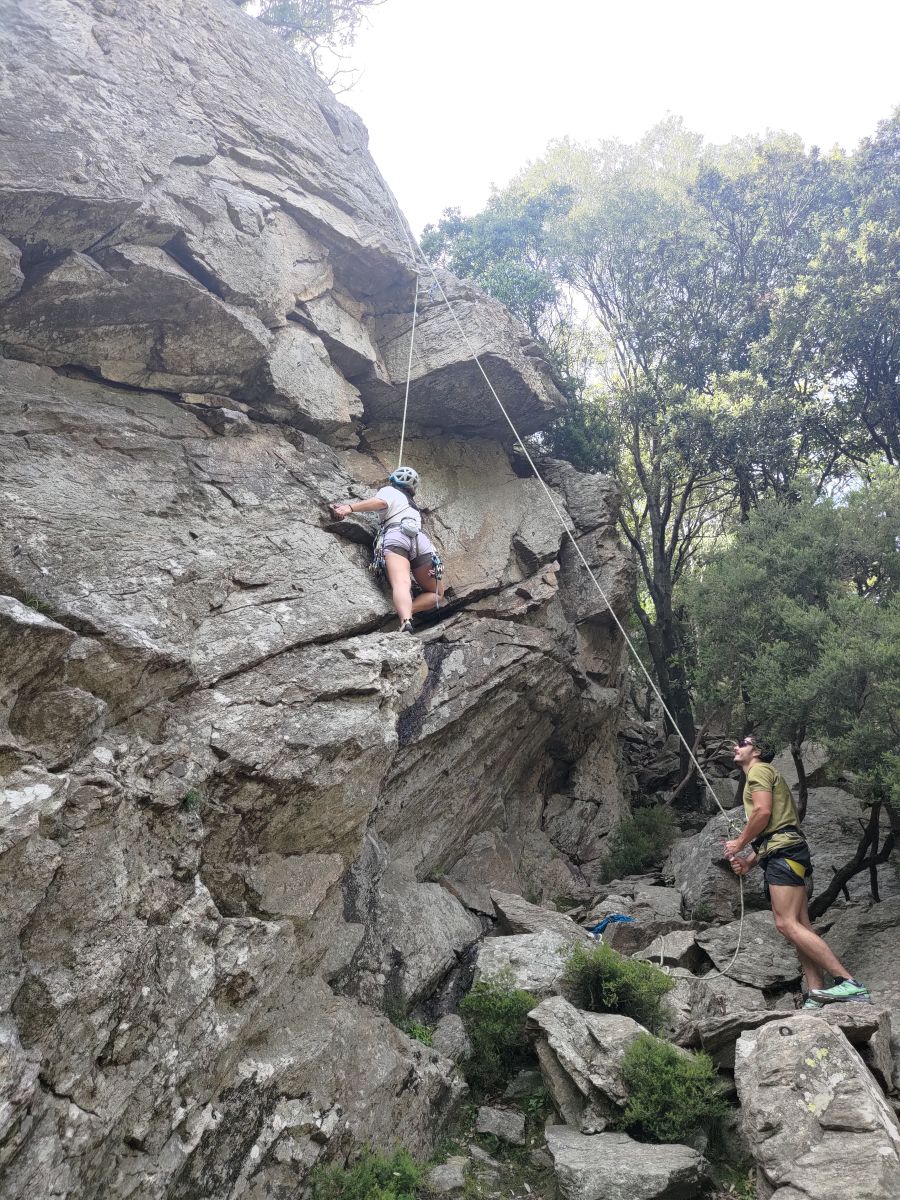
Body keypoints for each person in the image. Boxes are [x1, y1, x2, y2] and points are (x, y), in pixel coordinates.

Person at [725, 735, 871, 1007]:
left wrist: (739, 842)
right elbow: (775, 829)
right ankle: (816, 994)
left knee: (785, 923)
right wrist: (748, 860)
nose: (737, 746)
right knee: (800, 926)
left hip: (784, 854)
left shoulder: (758, 771)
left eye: (743, 743)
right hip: (785, 851)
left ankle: (848, 983)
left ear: (756, 751)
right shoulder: (765, 773)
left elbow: (762, 812)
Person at [330, 465, 444, 633]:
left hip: (396, 535)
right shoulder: (414, 507)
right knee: (437, 593)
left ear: (394, 480)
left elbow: (380, 503)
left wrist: (349, 507)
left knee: (402, 582)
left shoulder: (389, 490)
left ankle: (405, 619)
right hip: (421, 542)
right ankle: (408, 611)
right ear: (413, 489)